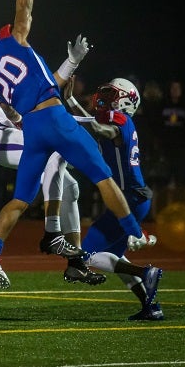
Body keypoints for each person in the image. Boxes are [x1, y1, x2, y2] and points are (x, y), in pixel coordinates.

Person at [0, 0, 149, 289]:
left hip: (32, 128)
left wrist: (70, 64)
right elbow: (23, 9)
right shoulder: (14, 39)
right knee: (102, 175)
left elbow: (12, 114)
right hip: (53, 116)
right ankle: (132, 233)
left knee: (20, 199)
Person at [0, 29, 104, 285]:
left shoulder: (0, 74)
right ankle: (52, 231)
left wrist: (72, 62)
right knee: (54, 150)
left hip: (9, 133)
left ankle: (74, 264)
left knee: (70, 186)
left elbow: (43, 89)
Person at [63, 76, 163, 320]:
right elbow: (93, 123)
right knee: (115, 258)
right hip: (133, 196)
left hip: (128, 198)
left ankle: (145, 272)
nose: (104, 98)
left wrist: (68, 114)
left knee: (84, 255)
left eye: (111, 95)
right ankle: (151, 307)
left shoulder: (121, 119)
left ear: (125, 102)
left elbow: (99, 128)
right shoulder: (123, 121)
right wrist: (70, 100)